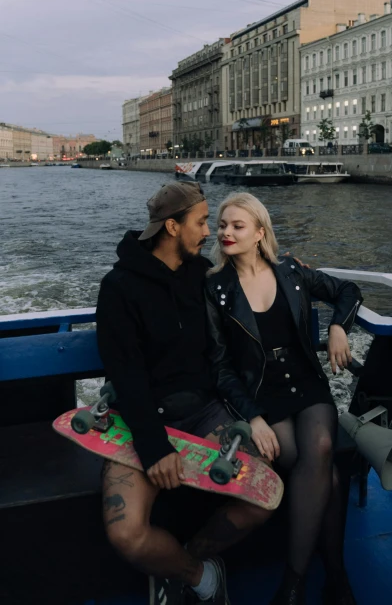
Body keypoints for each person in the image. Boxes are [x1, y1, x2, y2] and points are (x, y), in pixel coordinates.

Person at [96, 181, 272, 605]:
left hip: (204, 412)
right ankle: (197, 576)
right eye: (201, 221)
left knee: (262, 500)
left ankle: (182, 563)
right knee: (126, 533)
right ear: (172, 227)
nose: (209, 231)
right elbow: (128, 375)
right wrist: (155, 448)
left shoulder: (200, 278)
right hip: (140, 419)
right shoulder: (119, 289)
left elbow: (248, 285)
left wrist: (285, 272)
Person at [205, 193, 363, 605]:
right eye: (222, 225)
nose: (225, 232)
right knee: (318, 468)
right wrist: (253, 417)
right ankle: (336, 577)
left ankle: (291, 586)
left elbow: (348, 290)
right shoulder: (216, 289)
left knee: (322, 445)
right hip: (261, 391)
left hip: (306, 384)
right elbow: (220, 367)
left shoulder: (291, 272)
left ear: (259, 233)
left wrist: (338, 328)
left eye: (237, 226)